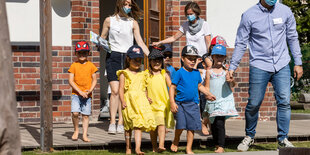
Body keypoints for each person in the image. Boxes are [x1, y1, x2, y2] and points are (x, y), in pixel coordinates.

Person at [227, 0, 303, 151]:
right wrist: (233, 66)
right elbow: (241, 42)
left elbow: (292, 37)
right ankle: (249, 136)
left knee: (284, 102)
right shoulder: (249, 15)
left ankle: (283, 138)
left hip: (282, 64)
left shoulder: (285, 11)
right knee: (254, 103)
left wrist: (298, 62)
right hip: (259, 64)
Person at [100, 0, 150, 134]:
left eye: (130, 5)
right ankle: (112, 122)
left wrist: (150, 56)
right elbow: (102, 37)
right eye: (125, 4)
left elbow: (139, 40)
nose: (127, 7)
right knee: (115, 90)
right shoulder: (109, 20)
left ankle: (121, 122)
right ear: (119, 4)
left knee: (124, 91)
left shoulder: (132, 22)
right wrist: (99, 43)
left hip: (128, 57)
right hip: (113, 57)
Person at [169, 45, 216, 154]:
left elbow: (199, 86)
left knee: (191, 127)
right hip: (180, 104)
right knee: (180, 125)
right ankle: (176, 140)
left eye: (194, 59)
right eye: (189, 58)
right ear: (182, 59)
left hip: (193, 104)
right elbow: (172, 87)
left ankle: (188, 148)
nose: (192, 61)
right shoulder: (179, 72)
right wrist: (172, 102)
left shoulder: (196, 73)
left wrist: (208, 94)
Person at [117, 45, 156, 155]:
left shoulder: (143, 74)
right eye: (135, 60)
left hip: (140, 102)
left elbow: (144, 88)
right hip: (129, 102)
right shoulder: (124, 73)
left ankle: (138, 148)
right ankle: (128, 147)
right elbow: (121, 89)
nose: (138, 62)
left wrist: (147, 97)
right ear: (128, 59)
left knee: (138, 125)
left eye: (140, 60)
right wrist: (122, 101)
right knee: (128, 126)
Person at [152, 2, 211, 68]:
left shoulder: (204, 25)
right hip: (188, 58)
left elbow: (208, 43)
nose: (189, 16)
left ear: (196, 13)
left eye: (191, 14)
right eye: (187, 14)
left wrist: (209, 57)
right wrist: (160, 42)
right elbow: (174, 38)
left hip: (200, 59)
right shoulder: (185, 25)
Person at [205, 44, 238, 153]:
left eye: (221, 56)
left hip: (224, 100)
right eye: (217, 56)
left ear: (224, 58)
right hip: (213, 100)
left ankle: (221, 146)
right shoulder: (209, 72)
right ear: (212, 57)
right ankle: (216, 143)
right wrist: (207, 94)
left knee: (220, 122)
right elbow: (207, 86)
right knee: (213, 123)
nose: (219, 58)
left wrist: (231, 80)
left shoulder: (227, 72)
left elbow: (233, 85)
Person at [68, 41, 98, 142]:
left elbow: (94, 79)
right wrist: (79, 91)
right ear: (76, 53)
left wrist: (90, 90)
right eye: (79, 53)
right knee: (75, 113)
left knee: (85, 115)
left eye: (84, 53)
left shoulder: (91, 66)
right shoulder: (74, 65)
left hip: (87, 95)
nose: (82, 55)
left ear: (88, 53)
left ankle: (84, 135)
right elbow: (70, 81)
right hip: (76, 94)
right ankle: (76, 130)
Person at [146, 48, 175, 153]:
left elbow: (171, 86)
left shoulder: (164, 74)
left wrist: (174, 97)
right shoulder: (146, 74)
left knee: (161, 124)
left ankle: (161, 144)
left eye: (159, 60)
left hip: (162, 104)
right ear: (149, 61)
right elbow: (143, 87)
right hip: (151, 105)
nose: (157, 62)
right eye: (154, 60)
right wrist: (146, 97)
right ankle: (154, 146)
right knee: (153, 128)